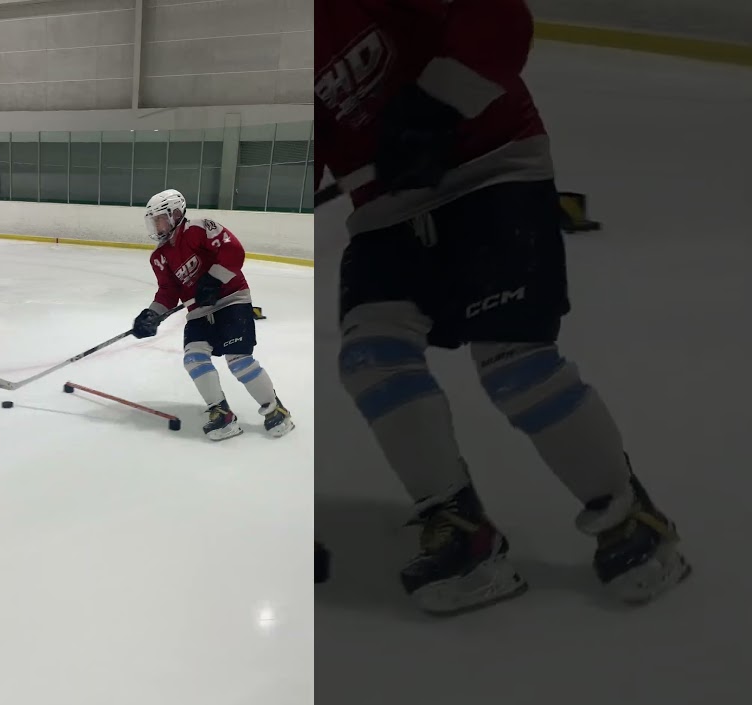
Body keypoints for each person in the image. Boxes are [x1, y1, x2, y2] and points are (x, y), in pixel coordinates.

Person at [316, 0, 690, 615]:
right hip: (386, 209)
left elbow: (497, 19)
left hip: (494, 168)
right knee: (370, 358)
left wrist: (437, 106)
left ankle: (633, 517)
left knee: (514, 361)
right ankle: (460, 529)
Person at [132, 189, 294, 441]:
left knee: (238, 360)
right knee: (194, 358)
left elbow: (234, 252)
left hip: (231, 300)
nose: (156, 225)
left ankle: (276, 409)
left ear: (175, 214)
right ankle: (221, 412)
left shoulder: (200, 229)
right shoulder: (160, 257)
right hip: (198, 312)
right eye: (153, 220)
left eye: (159, 218)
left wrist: (213, 280)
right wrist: (151, 314)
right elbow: (167, 291)